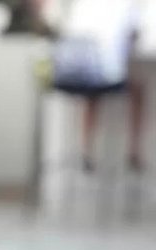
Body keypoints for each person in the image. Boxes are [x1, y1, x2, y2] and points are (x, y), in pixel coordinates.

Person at [53, 0, 145, 173]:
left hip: (99, 68)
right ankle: (129, 152)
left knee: (101, 95)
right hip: (100, 69)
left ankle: (91, 152)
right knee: (99, 95)